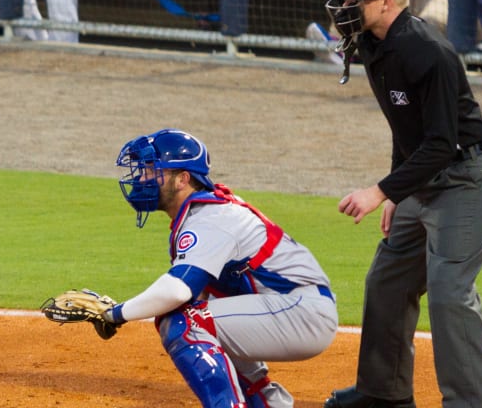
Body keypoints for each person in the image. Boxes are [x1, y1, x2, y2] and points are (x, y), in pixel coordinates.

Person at [320, 0, 482, 408]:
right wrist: (397, 193)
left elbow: (443, 143)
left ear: (385, 1)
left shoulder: (428, 51)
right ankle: (382, 393)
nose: (343, 9)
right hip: (422, 178)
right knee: (387, 281)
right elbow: (405, 128)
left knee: (449, 293)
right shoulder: (372, 43)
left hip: (466, 180)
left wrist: (381, 190)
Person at [52, 129, 337, 407]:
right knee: (197, 313)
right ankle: (265, 402)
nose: (141, 178)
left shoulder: (210, 219)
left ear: (182, 179)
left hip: (301, 311)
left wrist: (115, 313)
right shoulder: (200, 214)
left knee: (187, 322)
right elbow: (192, 295)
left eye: (152, 170)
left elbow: (177, 290)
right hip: (292, 306)